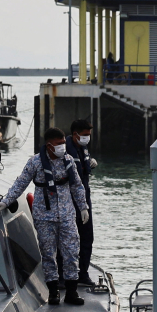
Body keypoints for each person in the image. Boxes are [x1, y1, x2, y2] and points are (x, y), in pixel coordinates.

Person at [0, 127, 89, 306]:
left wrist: (83, 207)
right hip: (44, 215)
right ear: (49, 145)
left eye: (64, 143)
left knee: (71, 252)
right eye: (59, 144)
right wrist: (6, 201)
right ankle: (53, 291)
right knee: (48, 254)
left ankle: (71, 291)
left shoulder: (68, 161)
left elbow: (77, 185)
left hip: (67, 215)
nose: (63, 147)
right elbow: (21, 182)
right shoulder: (35, 163)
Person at [65, 118, 97, 282]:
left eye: (88, 135)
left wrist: (90, 163)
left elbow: (83, 169)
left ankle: (83, 273)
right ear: (75, 134)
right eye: (84, 135)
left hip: (85, 198)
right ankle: (65, 275)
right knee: (68, 239)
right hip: (69, 201)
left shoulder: (83, 149)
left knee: (87, 237)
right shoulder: (64, 151)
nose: (87, 138)